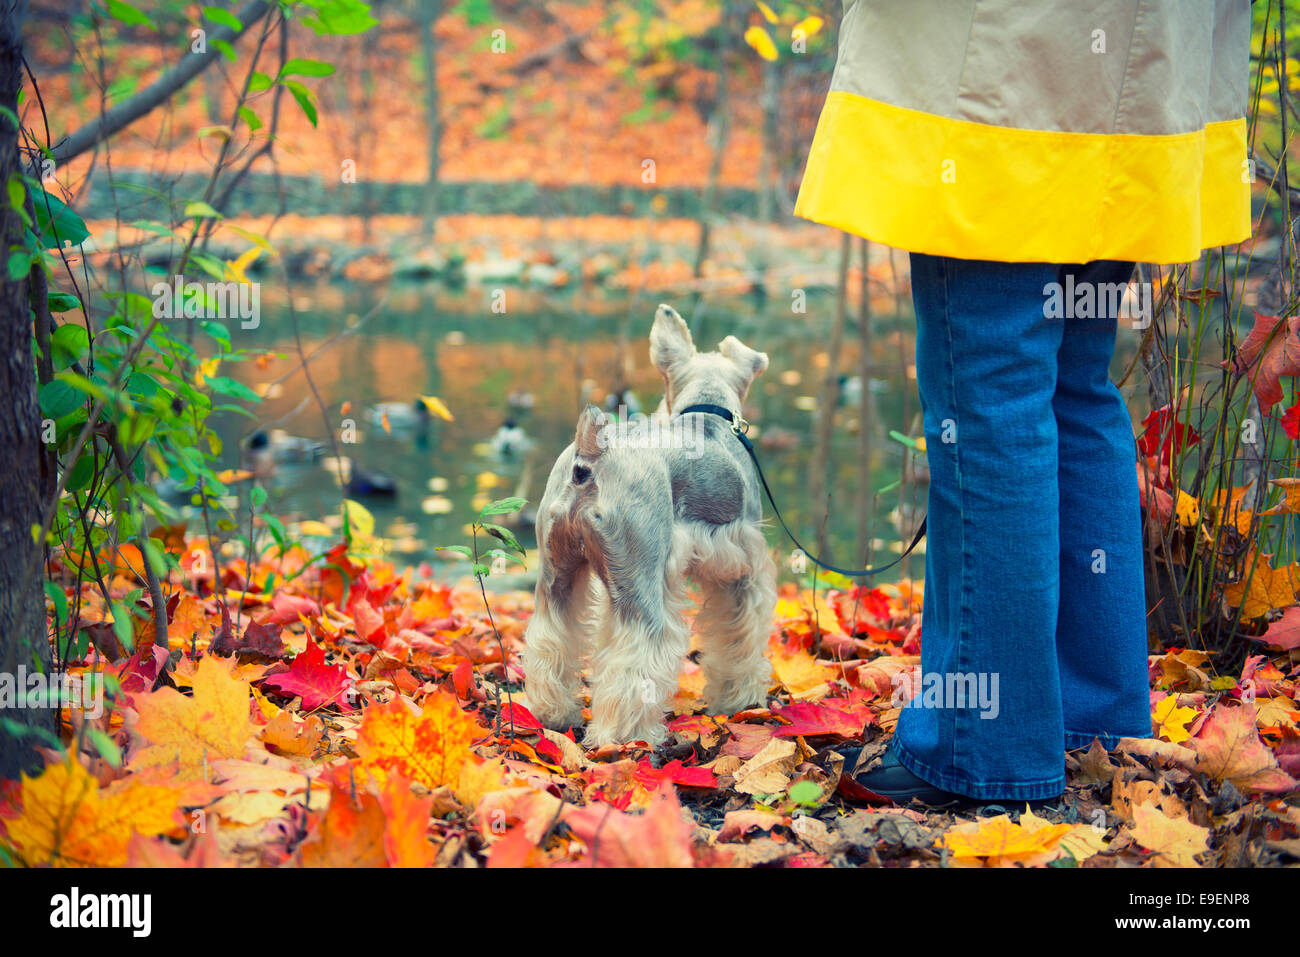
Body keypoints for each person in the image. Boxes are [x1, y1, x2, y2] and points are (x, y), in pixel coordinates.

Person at [794, 0, 1253, 805]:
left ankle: (987, 746)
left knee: (992, 390)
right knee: (1074, 385)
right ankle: (1090, 725)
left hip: (1011, 73)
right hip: (1131, 74)